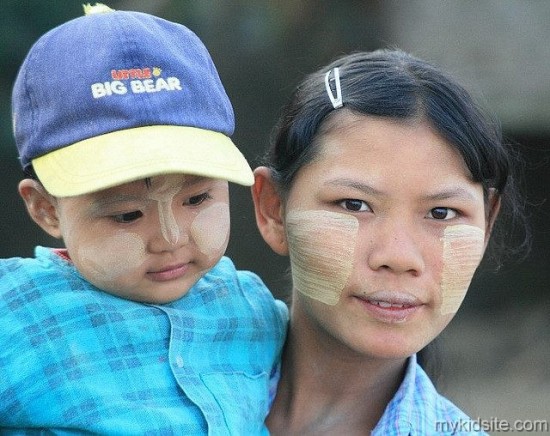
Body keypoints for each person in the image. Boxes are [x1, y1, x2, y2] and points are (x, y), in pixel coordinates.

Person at [0, 4, 287, 434]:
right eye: (127, 214)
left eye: (197, 199)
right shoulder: (14, 315)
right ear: (45, 208)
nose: (170, 239)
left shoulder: (252, 309)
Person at [252, 49, 529, 435]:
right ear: (273, 210)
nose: (398, 257)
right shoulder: (157, 374)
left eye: (442, 213)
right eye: (354, 204)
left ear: (486, 226)